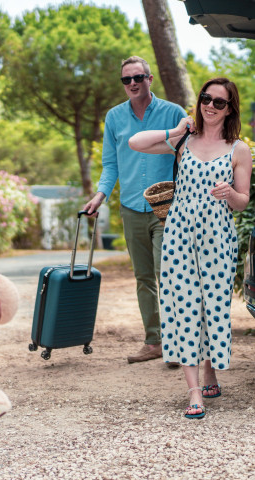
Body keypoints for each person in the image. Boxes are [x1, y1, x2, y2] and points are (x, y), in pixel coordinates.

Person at [129, 77, 252, 418]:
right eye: (206, 99)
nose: (210, 106)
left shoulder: (239, 149)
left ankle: (211, 369)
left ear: (230, 109)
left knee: (212, 306)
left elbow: (243, 201)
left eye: (219, 102)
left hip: (217, 237)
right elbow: (135, 142)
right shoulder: (185, 139)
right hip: (180, 234)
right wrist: (176, 130)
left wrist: (231, 194)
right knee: (182, 306)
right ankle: (195, 391)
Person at [84, 56, 186, 364]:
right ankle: (153, 341)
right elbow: (110, 164)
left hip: (167, 208)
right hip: (130, 206)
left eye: (138, 77)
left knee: (165, 273)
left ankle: (176, 343)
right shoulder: (114, 117)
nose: (132, 84)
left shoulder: (173, 113)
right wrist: (101, 195)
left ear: (150, 79)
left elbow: (188, 154)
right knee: (143, 278)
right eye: (126, 79)